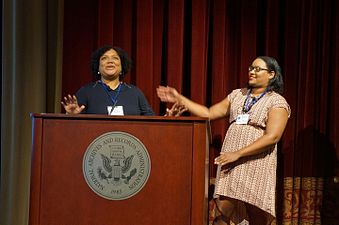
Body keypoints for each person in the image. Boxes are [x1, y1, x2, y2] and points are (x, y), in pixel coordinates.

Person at [157, 56, 290, 225]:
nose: (252, 72)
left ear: (271, 74)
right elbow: (208, 113)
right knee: (222, 212)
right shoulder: (237, 95)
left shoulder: (276, 101)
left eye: (258, 69)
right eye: (251, 68)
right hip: (231, 162)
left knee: (256, 215)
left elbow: (273, 137)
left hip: (256, 163)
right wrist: (180, 98)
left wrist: (238, 153)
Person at [61, 45, 155, 116]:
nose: (110, 61)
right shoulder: (86, 92)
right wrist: (71, 116)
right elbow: (74, 128)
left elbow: (151, 122)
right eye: (104, 58)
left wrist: (167, 118)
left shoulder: (135, 93)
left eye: (115, 58)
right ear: (98, 66)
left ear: (122, 66)